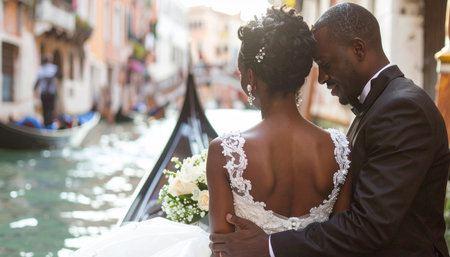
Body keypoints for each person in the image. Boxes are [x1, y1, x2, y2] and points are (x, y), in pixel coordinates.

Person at [71, 6, 352, 257]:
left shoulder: (225, 151)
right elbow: (340, 242)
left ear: (251, 76)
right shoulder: (340, 149)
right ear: (302, 74)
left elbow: (222, 252)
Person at [209, 3, 450, 257]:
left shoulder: (402, 109)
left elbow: (369, 226)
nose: (322, 77)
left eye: (326, 63)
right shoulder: (377, 110)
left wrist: (270, 245)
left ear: (358, 49)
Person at [34, 55, 60, 127]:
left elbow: (37, 82)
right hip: (51, 93)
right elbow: (60, 75)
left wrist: (34, 90)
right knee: (50, 109)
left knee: (45, 109)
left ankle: (46, 124)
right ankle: (50, 125)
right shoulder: (54, 68)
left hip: (44, 93)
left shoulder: (40, 69)